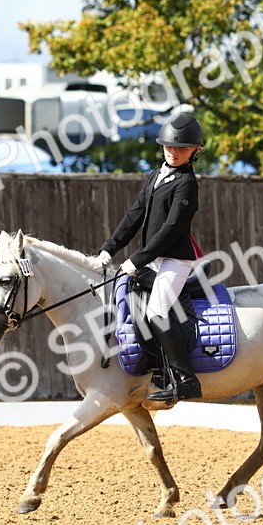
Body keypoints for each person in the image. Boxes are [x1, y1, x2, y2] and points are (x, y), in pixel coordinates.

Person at [97, 113, 204, 402]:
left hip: (174, 260)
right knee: (131, 300)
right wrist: (110, 247)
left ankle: (185, 379)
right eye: (170, 146)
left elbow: (171, 230)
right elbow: (134, 215)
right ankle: (155, 366)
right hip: (153, 259)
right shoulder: (155, 176)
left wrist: (137, 259)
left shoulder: (187, 184)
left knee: (156, 311)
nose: (174, 151)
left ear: (194, 151)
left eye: (182, 148)